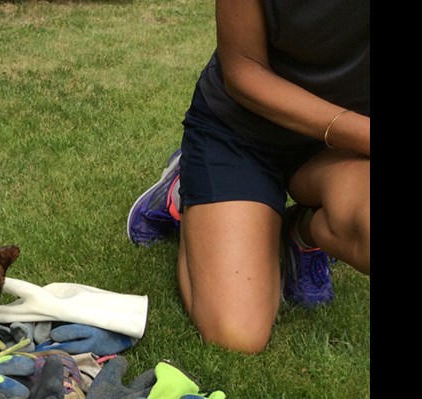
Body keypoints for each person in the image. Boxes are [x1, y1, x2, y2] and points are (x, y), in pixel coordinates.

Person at [126, 0, 369, 354]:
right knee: (236, 335)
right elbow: (244, 71)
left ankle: (300, 231)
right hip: (240, 134)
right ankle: (182, 191)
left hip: (342, 148)